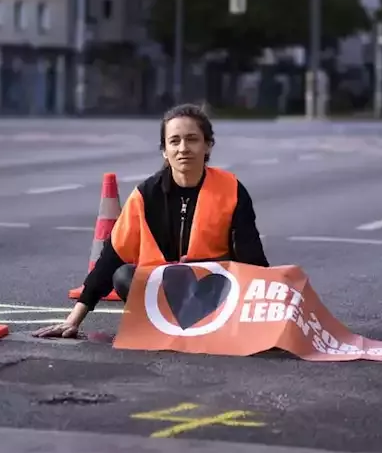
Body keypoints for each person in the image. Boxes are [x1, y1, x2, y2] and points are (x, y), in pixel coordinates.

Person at [33, 104, 270, 339]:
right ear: (164, 150)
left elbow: (252, 257)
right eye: (174, 141)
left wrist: (267, 314)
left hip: (215, 288)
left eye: (192, 139)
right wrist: (73, 320)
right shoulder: (146, 195)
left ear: (208, 145)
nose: (183, 148)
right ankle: (170, 322)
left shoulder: (231, 190)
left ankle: (198, 323)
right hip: (165, 290)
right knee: (123, 276)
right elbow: (111, 256)